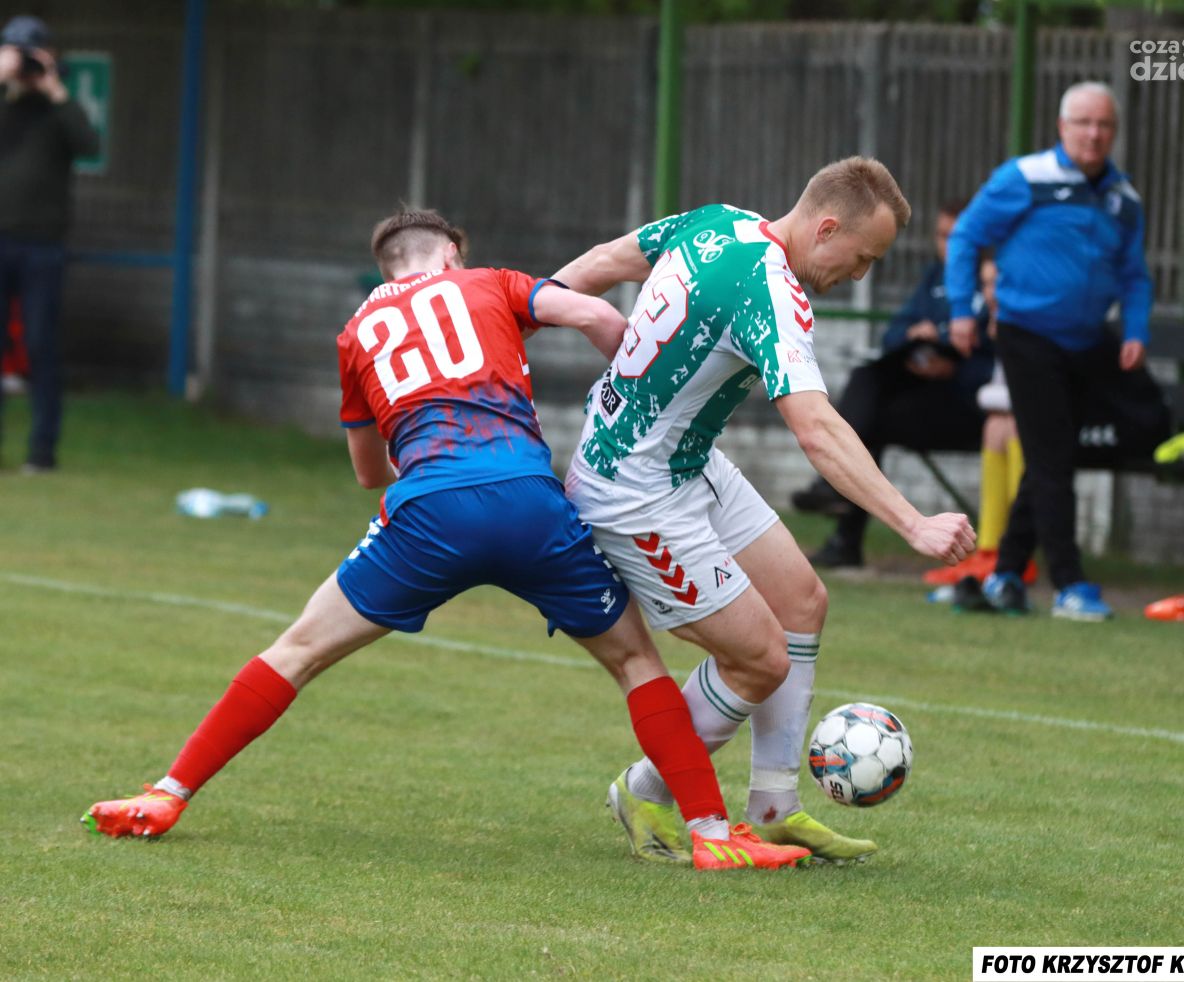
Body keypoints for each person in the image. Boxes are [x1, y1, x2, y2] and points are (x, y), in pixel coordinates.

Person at [81, 209, 810, 871]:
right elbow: (593, 311)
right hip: (531, 503)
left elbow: (368, 472)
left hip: (430, 511)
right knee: (634, 661)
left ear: (387, 268)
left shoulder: (357, 332)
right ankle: (711, 833)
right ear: (452, 254)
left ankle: (168, 793)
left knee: (298, 650)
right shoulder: (489, 282)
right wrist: (629, 372)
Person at [554, 158, 975, 864]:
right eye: (863, 258)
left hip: (685, 461)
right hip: (633, 489)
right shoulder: (773, 292)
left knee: (802, 603)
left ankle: (775, 807)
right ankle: (644, 790)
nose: (860, 276)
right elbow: (817, 430)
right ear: (827, 228)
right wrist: (913, 522)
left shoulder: (719, 223)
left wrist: (517, 329)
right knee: (758, 660)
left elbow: (600, 262)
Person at [947, 81, 1159, 621]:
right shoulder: (1025, 177)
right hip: (1028, 336)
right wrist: (962, 310)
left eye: (1104, 124)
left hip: (1087, 344)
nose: (1093, 133)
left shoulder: (1123, 198)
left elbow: (1134, 275)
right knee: (1053, 459)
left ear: (1114, 132)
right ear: (1062, 127)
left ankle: (1006, 575)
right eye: (1083, 123)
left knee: (1053, 456)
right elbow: (967, 235)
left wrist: (1136, 329)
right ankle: (1069, 584)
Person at [791, 200, 994, 570]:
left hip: (969, 406)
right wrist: (914, 336)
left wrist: (952, 365)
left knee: (868, 421)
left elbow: (1002, 360)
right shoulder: (936, 277)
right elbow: (893, 333)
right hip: (923, 395)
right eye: (942, 236)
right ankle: (843, 531)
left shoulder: (993, 282)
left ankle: (838, 510)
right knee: (867, 385)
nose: (948, 246)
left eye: (957, 237)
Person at [0, 15, 98, 472]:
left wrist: (55, 90)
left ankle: (42, 453)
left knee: (40, 344)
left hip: (43, 246)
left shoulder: (60, 110)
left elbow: (89, 145)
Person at [923, 254, 1034, 588]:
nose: (990, 293)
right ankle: (989, 550)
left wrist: (988, 395)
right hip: (1020, 419)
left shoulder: (1028, 323)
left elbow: (1021, 394)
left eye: (996, 283)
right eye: (985, 284)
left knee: (1012, 425)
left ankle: (1018, 552)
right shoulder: (993, 322)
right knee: (996, 427)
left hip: (1065, 421)